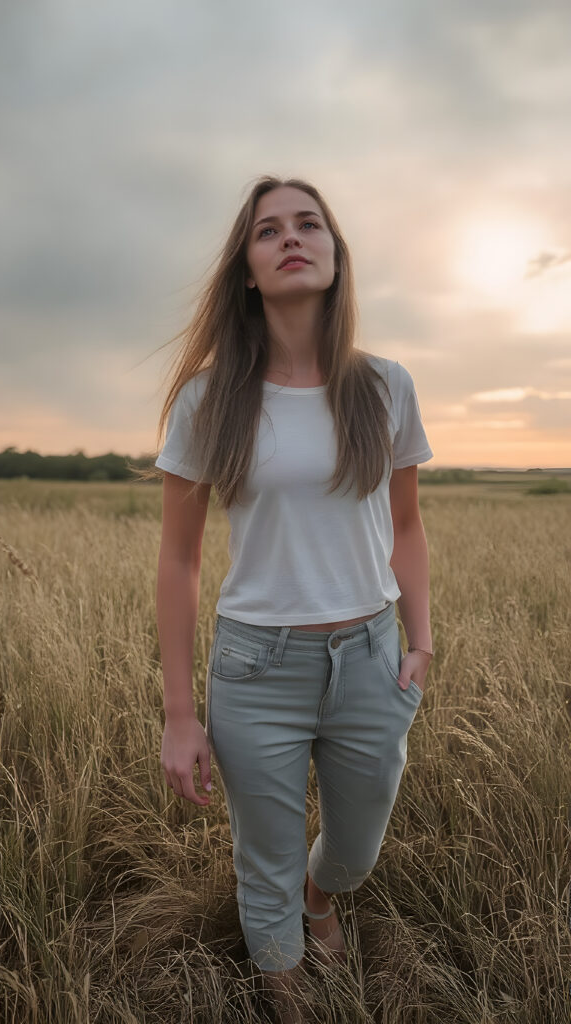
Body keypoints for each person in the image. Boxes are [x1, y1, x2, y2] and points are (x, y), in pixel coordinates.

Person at [155, 175, 433, 1022]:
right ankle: (286, 993)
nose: (292, 238)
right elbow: (178, 559)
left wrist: (419, 642)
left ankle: (325, 898)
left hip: (371, 656)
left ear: (336, 254)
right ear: (247, 268)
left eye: (309, 224)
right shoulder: (210, 400)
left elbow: (409, 527)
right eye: (269, 230)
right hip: (255, 665)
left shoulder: (384, 385)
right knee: (262, 856)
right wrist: (177, 713)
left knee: (353, 846)